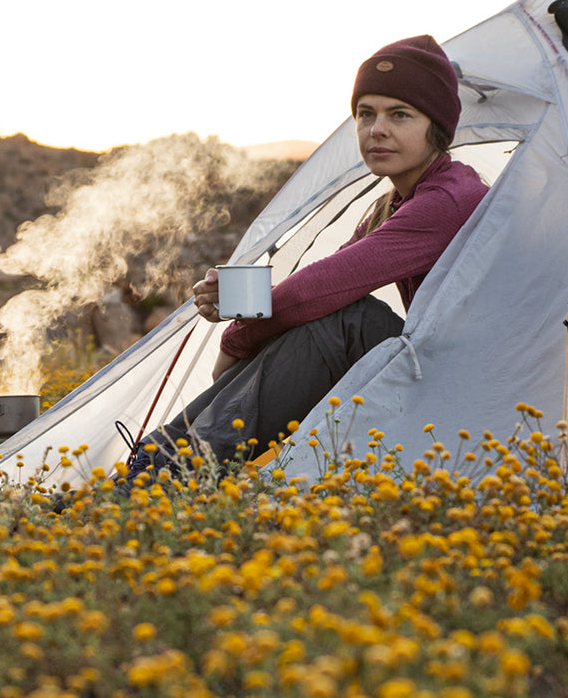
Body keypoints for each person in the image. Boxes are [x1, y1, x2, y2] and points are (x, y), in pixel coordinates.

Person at [121, 35, 489, 483]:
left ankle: (174, 471)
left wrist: (237, 340)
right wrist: (240, 309)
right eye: (365, 114)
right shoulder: (392, 204)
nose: (377, 130)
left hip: (480, 385)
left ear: (437, 127)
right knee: (329, 314)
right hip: (439, 370)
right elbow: (322, 287)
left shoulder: (448, 199)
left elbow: (326, 286)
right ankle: (156, 464)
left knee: (346, 320)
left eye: (400, 115)